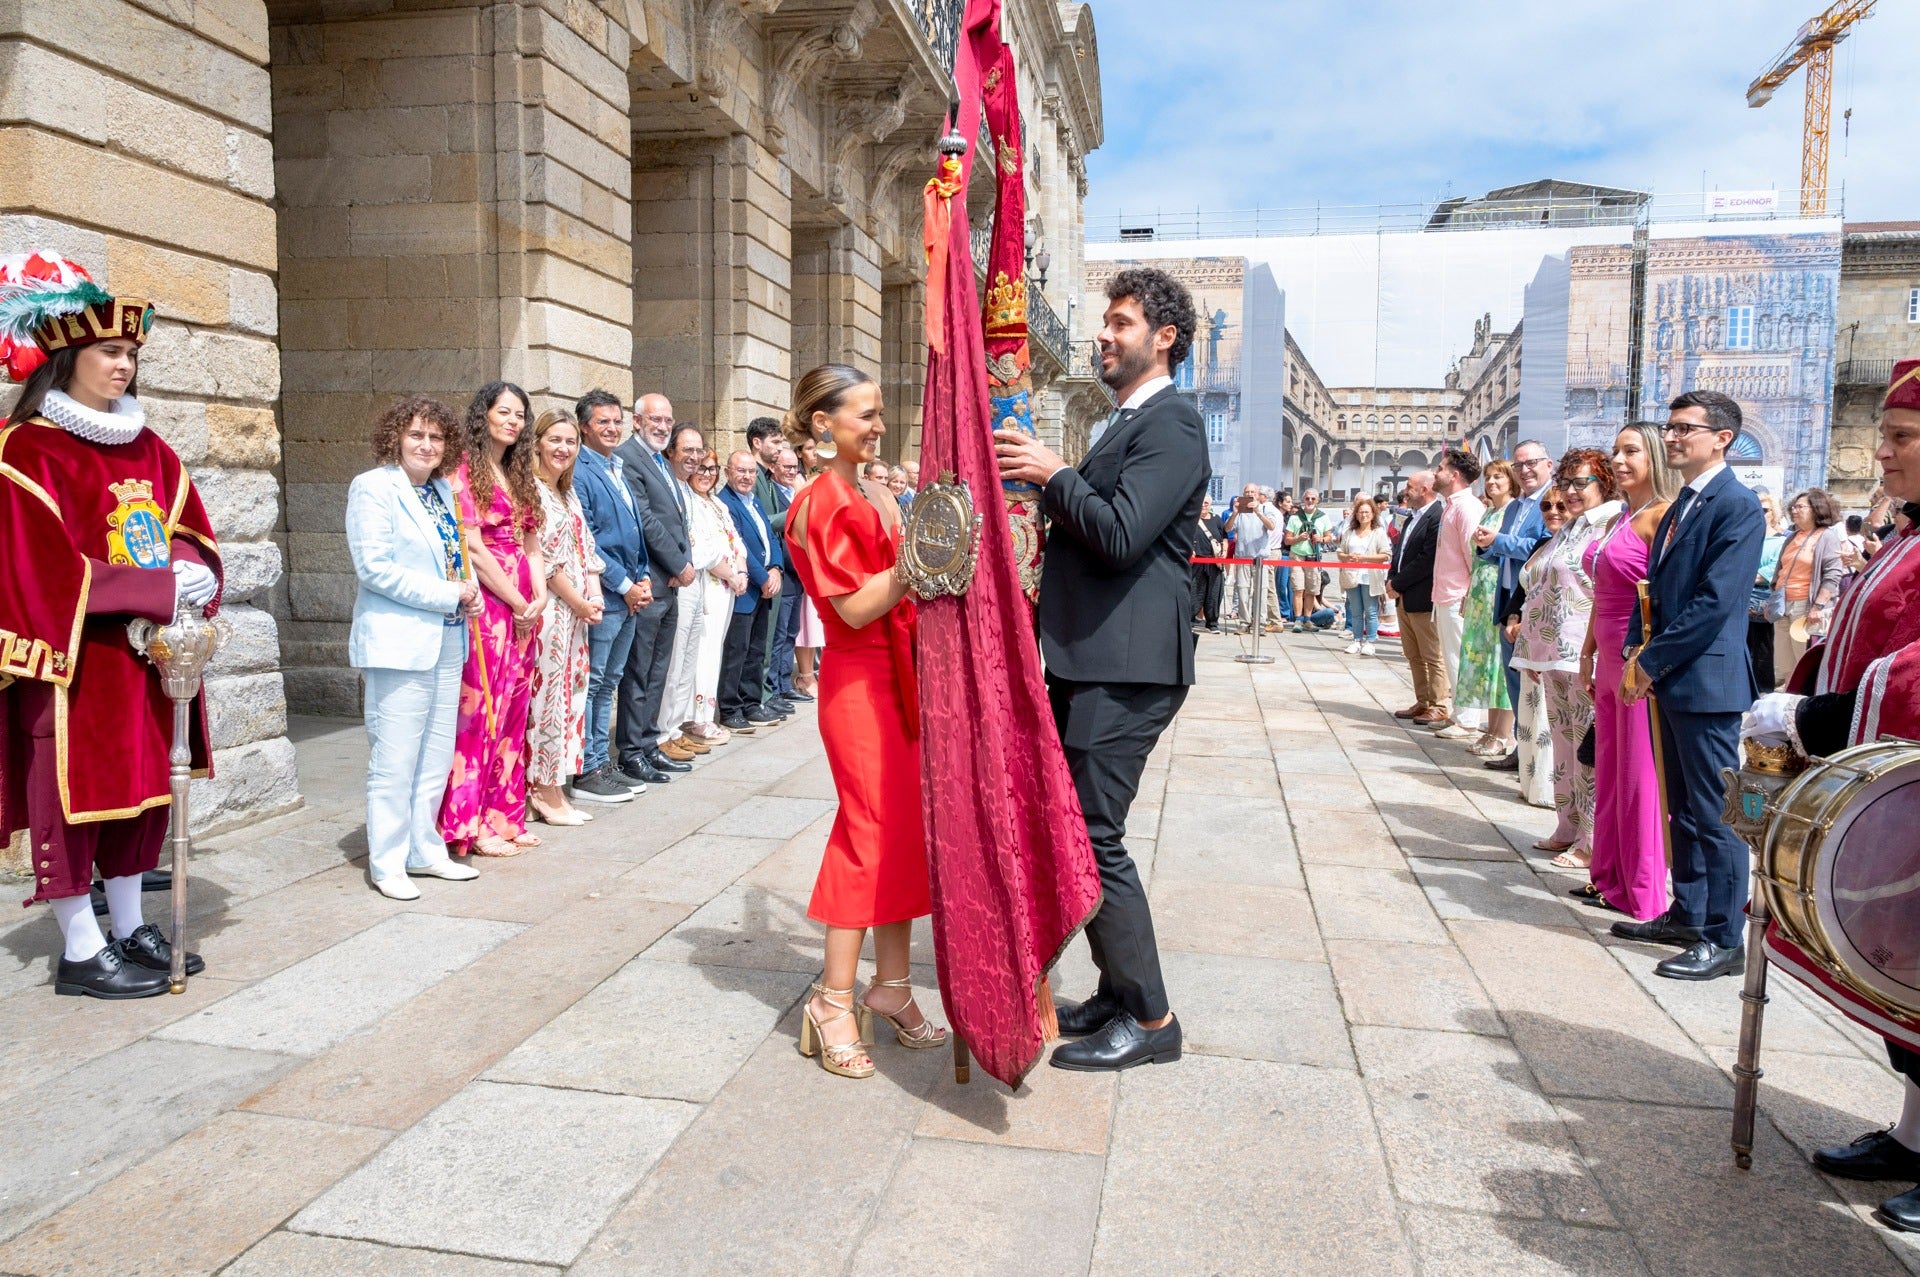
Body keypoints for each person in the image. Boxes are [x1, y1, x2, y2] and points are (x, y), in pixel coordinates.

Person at [995, 264, 1207, 1071]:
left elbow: (1120, 533)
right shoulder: (1125, 422)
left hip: (1129, 665)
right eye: (1106, 322)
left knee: (1092, 834)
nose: (1103, 335)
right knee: (1079, 830)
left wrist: (1053, 475)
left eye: (1120, 322)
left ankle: (1152, 1020)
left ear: (1164, 337)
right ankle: (1118, 990)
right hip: (1092, 656)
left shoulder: (1175, 422)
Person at [0, 265, 218, 997]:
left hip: (145, 657)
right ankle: (81, 945)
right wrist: (158, 586)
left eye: (131, 354)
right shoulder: (25, 449)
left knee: (144, 794)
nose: (124, 364)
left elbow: (188, 526)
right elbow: (44, 569)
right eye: (109, 353)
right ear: (68, 360)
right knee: (73, 800)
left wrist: (192, 569)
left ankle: (127, 924)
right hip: (74, 661)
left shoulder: (149, 447)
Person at [1757, 360, 1920, 1229]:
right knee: (1907, 978)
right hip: (1895, 789)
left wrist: (1819, 713)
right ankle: (1915, 1132)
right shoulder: (1901, 533)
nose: (1882, 451)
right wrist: (1798, 699)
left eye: (1900, 438)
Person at [782, 364, 943, 1079]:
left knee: (904, 831)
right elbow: (851, 606)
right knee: (867, 832)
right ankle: (832, 997)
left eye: (879, 413)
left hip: (902, 673)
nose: (879, 425)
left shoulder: (874, 488)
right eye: (865, 415)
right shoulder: (819, 501)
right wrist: (924, 553)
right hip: (858, 680)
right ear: (823, 423)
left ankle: (893, 986)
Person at [1614, 391, 1765, 981]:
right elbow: (1650, 587)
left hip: (1707, 681)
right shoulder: (1682, 505)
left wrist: (1651, 661)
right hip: (1672, 675)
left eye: (1684, 429)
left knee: (1714, 813)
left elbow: (1713, 603)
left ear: (1720, 437)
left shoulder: (1736, 505)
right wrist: (1634, 642)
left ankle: (1726, 939)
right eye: (1669, 428)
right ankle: (1690, 911)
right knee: (1682, 808)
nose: (1672, 438)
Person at [346, 396, 485, 899]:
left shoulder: (442, 491)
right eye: (416, 435)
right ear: (395, 438)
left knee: (434, 753)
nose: (427, 446)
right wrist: (449, 593)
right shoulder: (373, 487)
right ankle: (386, 861)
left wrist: (463, 595)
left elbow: (451, 558)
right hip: (399, 643)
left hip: (448, 638)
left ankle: (424, 848)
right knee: (395, 756)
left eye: (436, 437)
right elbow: (375, 568)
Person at [1575, 422, 1678, 918]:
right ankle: (1609, 875)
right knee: (1611, 770)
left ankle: (1641, 890)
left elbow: (1668, 597)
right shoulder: (1620, 516)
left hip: (1639, 657)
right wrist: (1587, 651)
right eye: (1616, 450)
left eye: (1631, 450)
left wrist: (1651, 662)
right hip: (1609, 652)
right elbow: (1600, 590)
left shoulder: (1662, 517)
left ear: (1654, 457)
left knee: (1639, 774)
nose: (1619, 459)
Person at [439, 382, 546, 858]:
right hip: (489, 607)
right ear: (483, 414)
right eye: (505, 412)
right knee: (481, 711)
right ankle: (471, 822)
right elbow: (474, 549)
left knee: (514, 712)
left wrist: (539, 594)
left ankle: (505, 815)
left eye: (520, 415)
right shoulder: (464, 469)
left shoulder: (517, 472)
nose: (514, 421)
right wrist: (517, 600)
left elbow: (531, 543)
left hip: (525, 605)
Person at [1510, 449, 1618, 867]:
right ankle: (1568, 823)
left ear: (1603, 483)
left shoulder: (1608, 525)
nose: (1570, 492)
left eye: (1580, 483)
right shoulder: (1569, 529)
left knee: (1588, 747)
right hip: (1552, 651)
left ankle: (1591, 837)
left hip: (1583, 653)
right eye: (1566, 482)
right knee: (1564, 743)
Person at [570, 389, 650, 805]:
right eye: (603, 421)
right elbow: (589, 540)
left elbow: (633, 531)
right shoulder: (580, 469)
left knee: (610, 683)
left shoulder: (616, 466)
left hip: (631, 593)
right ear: (584, 426)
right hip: (607, 592)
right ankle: (587, 769)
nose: (612, 428)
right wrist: (625, 583)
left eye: (616, 420)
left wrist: (644, 578)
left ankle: (602, 760)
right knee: (595, 680)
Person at [526, 409, 604, 827]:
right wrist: (578, 602)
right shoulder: (533, 492)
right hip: (553, 614)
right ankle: (543, 789)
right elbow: (547, 561)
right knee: (548, 700)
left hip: (577, 615)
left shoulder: (566, 493)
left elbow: (585, 550)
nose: (563, 449)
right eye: (555, 440)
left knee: (572, 697)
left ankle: (557, 785)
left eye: (570, 442)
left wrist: (593, 596)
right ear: (537, 442)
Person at [614, 393, 696, 782]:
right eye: (655, 420)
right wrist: (678, 564)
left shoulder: (659, 461)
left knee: (658, 670)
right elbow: (645, 520)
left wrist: (685, 562)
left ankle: (649, 743)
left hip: (671, 585)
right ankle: (631, 752)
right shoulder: (630, 458)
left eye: (667, 420)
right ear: (637, 421)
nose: (663, 426)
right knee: (640, 672)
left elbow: (676, 519)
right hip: (651, 582)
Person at [1474, 439, 1553, 769]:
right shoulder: (1516, 506)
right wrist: (1485, 547)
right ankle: (1521, 752)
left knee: (1536, 687)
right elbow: (1502, 552)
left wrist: (1500, 541)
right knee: (1514, 683)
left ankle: (1538, 755)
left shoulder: (1551, 503)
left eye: (1531, 463)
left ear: (1549, 464)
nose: (1525, 471)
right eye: (1519, 465)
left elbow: (1540, 547)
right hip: (1507, 603)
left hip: (1533, 605)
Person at [654, 424, 724, 755]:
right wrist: (690, 559)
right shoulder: (670, 487)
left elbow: (712, 545)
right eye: (688, 450)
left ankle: (676, 726)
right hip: (680, 579)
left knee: (688, 660)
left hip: (695, 578)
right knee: (676, 658)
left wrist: (701, 554)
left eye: (699, 451)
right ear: (671, 452)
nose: (695, 458)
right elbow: (685, 543)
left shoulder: (690, 492)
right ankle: (663, 731)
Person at [717, 450, 786, 732]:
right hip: (745, 589)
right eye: (741, 471)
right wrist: (763, 577)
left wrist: (777, 569)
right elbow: (740, 545)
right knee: (737, 651)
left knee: (757, 650)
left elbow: (771, 537)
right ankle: (730, 708)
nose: (746, 476)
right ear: (728, 472)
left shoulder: (755, 501)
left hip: (764, 588)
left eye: (750, 472)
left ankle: (751, 702)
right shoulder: (726, 502)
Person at [684, 448, 747, 739]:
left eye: (711, 469)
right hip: (707, 586)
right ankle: (697, 718)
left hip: (727, 588)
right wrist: (732, 575)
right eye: (700, 468)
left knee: (715, 652)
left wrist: (742, 571)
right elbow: (703, 550)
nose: (706, 474)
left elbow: (735, 541)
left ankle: (707, 715)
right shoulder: (690, 501)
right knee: (703, 653)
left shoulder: (717, 504)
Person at [1455, 460, 1516, 758]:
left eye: (1498, 477)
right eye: (1489, 478)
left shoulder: (1513, 511)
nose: (1491, 482)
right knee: (1485, 664)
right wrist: (1469, 593)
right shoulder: (1489, 511)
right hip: (1480, 592)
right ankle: (1490, 729)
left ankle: (1503, 734)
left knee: (1500, 665)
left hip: (1499, 594)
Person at [1429, 448, 1486, 739]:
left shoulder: (1467, 507)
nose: (1435, 473)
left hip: (1459, 596)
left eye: (1440, 468)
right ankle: (1458, 713)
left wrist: (1469, 595)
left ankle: (1467, 719)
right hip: (1446, 594)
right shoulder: (1452, 505)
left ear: (1454, 475)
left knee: (1461, 657)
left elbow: (1474, 555)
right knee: (1451, 656)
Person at [1766, 488, 1845, 687]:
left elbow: (1832, 574)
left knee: (1802, 656)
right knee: (1784, 660)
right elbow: (1780, 571)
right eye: (1793, 506)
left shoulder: (1826, 537)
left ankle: (1802, 697)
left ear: (1816, 509)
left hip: (1806, 606)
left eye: (1800, 507)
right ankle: (1789, 695)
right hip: (1784, 604)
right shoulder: (1792, 537)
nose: (1794, 510)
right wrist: (1772, 600)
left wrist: (1818, 606)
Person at [747, 417, 800, 714]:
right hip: (757, 572)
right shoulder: (753, 477)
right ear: (758, 442)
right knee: (762, 642)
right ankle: (760, 696)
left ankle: (767, 693)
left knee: (770, 640)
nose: (780, 448)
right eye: (776, 442)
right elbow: (759, 525)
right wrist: (793, 514)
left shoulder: (765, 477)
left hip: (773, 570)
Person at [1386, 471, 1447, 725]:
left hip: (1422, 595)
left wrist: (1398, 583)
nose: (1405, 491)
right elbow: (1399, 551)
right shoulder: (1411, 517)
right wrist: (1391, 578)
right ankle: (1422, 701)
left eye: (1410, 487)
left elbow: (1427, 558)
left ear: (1425, 490)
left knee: (1432, 654)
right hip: (1404, 596)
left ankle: (1439, 704)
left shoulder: (1437, 516)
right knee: (1413, 654)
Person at [765, 444, 808, 706]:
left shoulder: (795, 493)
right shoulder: (772, 492)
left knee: (792, 631)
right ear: (774, 468)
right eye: (786, 467)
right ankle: (774, 689)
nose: (792, 471)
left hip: (799, 574)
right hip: (783, 570)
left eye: (795, 467)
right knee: (779, 634)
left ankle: (783, 683)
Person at [1336, 495, 1391, 655]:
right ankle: (1357, 639)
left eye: (1367, 512)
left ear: (1373, 514)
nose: (1364, 515)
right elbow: (1340, 551)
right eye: (1360, 512)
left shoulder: (1378, 532)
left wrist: (1365, 558)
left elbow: (1386, 554)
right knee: (1355, 610)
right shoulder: (1350, 532)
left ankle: (1371, 641)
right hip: (1352, 575)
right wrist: (1348, 557)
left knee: (1371, 610)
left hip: (1370, 576)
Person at [1748, 488, 1785, 694]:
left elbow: (1770, 571)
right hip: (1742, 598)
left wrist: (1748, 575)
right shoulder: (1747, 537)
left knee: (1763, 645)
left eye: (1765, 509)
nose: (1760, 513)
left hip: (1762, 599)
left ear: (1774, 514)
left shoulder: (1779, 541)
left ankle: (1763, 688)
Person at [1284, 489, 1335, 632]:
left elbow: (1329, 537)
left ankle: (1308, 619)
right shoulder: (1295, 518)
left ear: (1317, 501)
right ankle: (1298, 619)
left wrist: (1321, 539)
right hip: (1297, 556)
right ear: (1303, 500)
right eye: (1307, 499)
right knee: (1298, 589)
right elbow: (1287, 540)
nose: (1310, 501)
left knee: (1312, 590)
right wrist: (1298, 538)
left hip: (1313, 556)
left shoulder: (1323, 517)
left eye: (1313, 499)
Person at [1227, 483, 1275, 630]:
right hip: (1243, 556)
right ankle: (1244, 621)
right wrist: (1234, 513)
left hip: (1260, 557)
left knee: (1261, 590)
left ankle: (1260, 622)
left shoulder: (1266, 508)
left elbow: (1271, 526)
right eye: (1246, 492)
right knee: (1242, 589)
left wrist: (1258, 512)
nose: (1249, 494)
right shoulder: (1239, 511)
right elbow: (1228, 528)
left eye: (1252, 491)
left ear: (1258, 494)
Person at [1191, 496, 1227, 632]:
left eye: (1206, 503)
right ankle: (1190, 619)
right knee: (1194, 591)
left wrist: (1224, 550)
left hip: (1214, 562)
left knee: (1214, 593)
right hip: (1197, 562)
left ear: (1210, 505)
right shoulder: (1192, 519)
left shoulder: (1217, 519)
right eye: (1201, 502)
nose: (1203, 505)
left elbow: (1224, 537)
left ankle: (1212, 623)